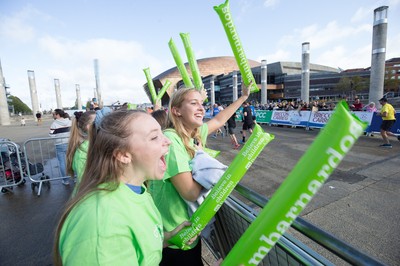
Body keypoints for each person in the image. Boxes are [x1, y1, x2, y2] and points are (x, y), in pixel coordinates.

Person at [53, 110, 197, 265]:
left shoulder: (137, 190)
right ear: (123, 155)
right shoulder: (102, 223)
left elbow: (134, 246)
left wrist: (168, 237)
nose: (168, 141)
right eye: (154, 137)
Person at [149, 83, 250, 265]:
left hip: (188, 232)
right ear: (177, 110)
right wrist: (205, 164)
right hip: (174, 236)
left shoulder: (193, 135)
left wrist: (243, 97)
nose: (201, 108)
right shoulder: (172, 139)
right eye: (194, 103)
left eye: (202, 104)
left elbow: (219, 120)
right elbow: (190, 192)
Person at [66, 110, 96, 196]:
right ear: (89, 127)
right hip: (87, 197)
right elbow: (86, 181)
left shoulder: (94, 146)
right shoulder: (84, 151)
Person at [49, 109, 72, 185]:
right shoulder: (69, 122)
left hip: (60, 144)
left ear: (58, 115)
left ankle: (66, 180)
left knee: (62, 162)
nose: (53, 116)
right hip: (70, 143)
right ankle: (75, 177)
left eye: (54, 114)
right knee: (72, 161)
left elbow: (51, 135)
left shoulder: (54, 124)